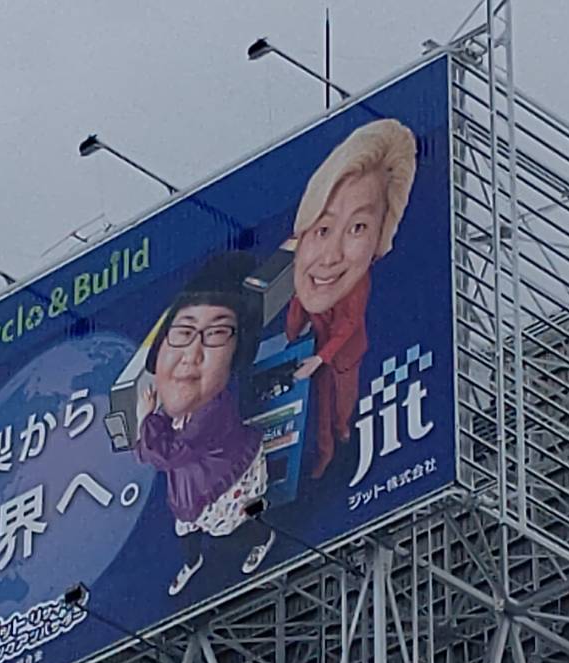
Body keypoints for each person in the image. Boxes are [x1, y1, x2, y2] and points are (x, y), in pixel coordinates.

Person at [135, 253, 277, 596]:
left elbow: (166, 454)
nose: (191, 355)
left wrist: (146, 418)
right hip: (192, 485)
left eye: (215, 335)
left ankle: (263, 537)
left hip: (224, 476)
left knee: (225, 527)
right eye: (181, 334)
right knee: (186, 528)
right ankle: (191, 563)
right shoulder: (180, 402)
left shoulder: (213, 408)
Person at [285, 118, 418, 478]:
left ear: (380, 237)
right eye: (323, 229)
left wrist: (319, 358)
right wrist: (291, 336)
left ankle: (338, 447)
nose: (330, 256)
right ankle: (324, 457)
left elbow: (348, 326)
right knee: (319, 409)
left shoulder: (356, 286)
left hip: (343, 356)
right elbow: (300, 304)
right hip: (317, 349)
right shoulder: (305, 277)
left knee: (341, 411)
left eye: (358, 228)